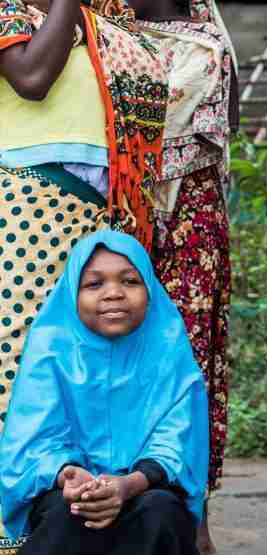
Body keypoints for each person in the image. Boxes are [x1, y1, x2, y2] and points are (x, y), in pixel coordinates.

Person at [0, 1, 168, 549]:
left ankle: (80, 515)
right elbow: (30, 78)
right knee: (16, 367)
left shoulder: (112, 15)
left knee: (84, 373)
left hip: (96, 215)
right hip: (26, 207)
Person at [0, 230, 209, 555]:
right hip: (70, 490)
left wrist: (129, 484)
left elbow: (177, 438)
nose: (114, 294)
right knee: (67, 515)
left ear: (150, 290)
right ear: (72, 294)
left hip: (147, 486)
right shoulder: (51, 347)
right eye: (94, 284)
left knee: (160, 512)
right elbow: (35, 440)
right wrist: (69, 477)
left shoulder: (168, 345)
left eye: (130, 281)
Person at [125, 0, 238, 551]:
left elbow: (225, 129)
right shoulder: (102, 31)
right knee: (118, 354)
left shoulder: (209, 34)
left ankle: (194, 511)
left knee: (189, 362)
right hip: (120, 206)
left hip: (193, 215)